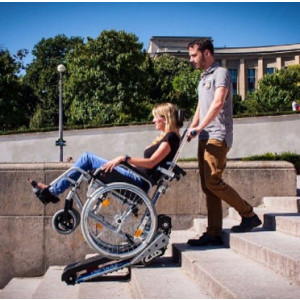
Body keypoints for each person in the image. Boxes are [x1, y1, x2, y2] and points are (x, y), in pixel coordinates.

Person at [186, 39, 262, 246]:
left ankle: (248, 214)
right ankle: (214, 232)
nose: (191, 60)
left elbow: (219, 102)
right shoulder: (203, 78)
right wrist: (192, 128)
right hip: (203, 136)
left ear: (207, 52)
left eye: (194, 55)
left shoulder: (221, 73)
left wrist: (201, 127)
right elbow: (201, 106)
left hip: (217, 135)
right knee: (207, 186)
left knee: (213, 182)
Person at [29, 103, 182, 204]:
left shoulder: (171, 138)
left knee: (87, 158)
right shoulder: (168, 137)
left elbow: (151, 163)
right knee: (88, 160)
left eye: (156, 116)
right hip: (137, 176)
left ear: (165, 118)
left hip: (139, 180)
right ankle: (52, 189)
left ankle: (52, 191)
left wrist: (124, 158)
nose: (153, 120)